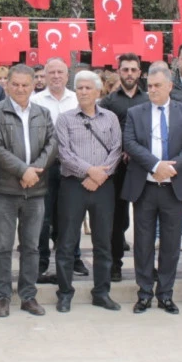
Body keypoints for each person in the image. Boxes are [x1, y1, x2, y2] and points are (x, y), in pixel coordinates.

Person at [122, 62, 182, 315]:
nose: (152, 89)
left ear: (170, 86)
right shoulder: (136, 112)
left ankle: (165, 294)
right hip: (145, 187)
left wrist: (171, 167)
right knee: (143, 243)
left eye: (157, 85)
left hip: (173, 188)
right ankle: (144, 293)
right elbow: (130, 143)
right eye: (150, 86)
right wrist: (155, 165)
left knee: (170, 244)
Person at [0, 65, 58, 317]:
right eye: (15, 84)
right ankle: (3, 296)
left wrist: (34, 171)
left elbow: (52, 144)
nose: (20, 89)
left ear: (33, 85)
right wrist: (21, 171)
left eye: (25, 84)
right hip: (5, 190)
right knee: (3, 246)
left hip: (35, 190)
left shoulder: (43, 113)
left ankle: (28, 296)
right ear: (7, 85)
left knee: (32, 246)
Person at [54, 70, 122, 312]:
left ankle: (101, 293)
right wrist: (90, 171)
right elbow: (64, 153)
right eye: (79, 88)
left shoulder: (111, 118)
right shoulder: (65, 119)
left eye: (87, 88)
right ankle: (64, 293)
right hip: (73, 186)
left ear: (97, 91)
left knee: (103, 242)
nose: (83, 92)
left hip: (103, 186)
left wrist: (100, 175)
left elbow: (116, 149)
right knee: (66, 241)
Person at [32, 58, 80, 281]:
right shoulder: (35, 100)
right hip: (45, 168)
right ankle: (41, 260)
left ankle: (72, 258)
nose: (56, 76)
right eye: (51, 72)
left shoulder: (77, 99)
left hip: (72, 167)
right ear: (45, 75)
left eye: (60, 72)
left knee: (71, 215)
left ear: (67, 75)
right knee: (43, 216)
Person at [100, 54, 148, 282]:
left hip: (142, 167)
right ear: (119, 72)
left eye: (133, 70)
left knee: (144, 219)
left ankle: (146, 266)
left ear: (139, 73)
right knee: (117, 220)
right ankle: (115, 264)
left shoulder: (148, 100)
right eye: (125, 69)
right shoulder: (109, 102)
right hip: (116, 168)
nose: (129, 73)